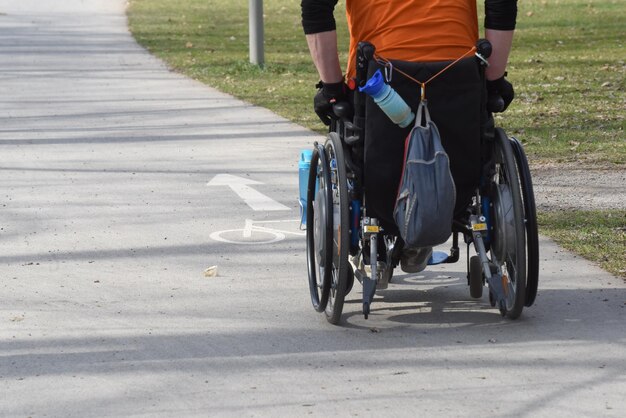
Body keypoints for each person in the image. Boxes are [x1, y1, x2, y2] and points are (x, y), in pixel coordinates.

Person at [301, 0, 517, 272]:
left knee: (355, 121)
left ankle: (396, 226)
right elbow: (502, 5)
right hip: (458, 77)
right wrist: (494, 81)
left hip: (380, 79)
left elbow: (314, 8)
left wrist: (331, 89)